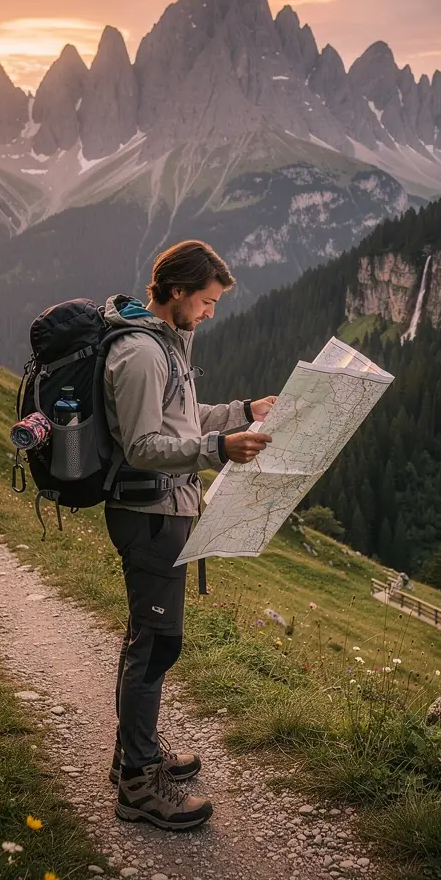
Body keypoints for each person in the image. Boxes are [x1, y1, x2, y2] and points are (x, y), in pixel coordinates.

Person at [102, 240, 276, 831]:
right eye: (206, 301)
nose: (210, 313)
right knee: (155, 644)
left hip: (166, 508)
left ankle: (134, 755)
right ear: (176, 291)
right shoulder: (141, 354)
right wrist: (217, 450)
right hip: (148, 512)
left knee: (149, 639)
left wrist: (244, 411)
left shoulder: (168, 345)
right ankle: (137, 785)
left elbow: (181, 420)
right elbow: (142, 445)